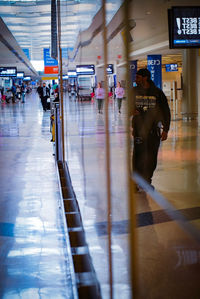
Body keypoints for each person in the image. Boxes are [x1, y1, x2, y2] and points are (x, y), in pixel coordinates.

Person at [132, 68, 171, 188]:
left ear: (145, 78)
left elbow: (166, 111)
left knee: (152, 156)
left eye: (138, 77)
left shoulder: (157, 92)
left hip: (154, 131)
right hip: (139, 130)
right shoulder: (133, 91)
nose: (136, 79)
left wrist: (166, 129)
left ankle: (147, 180)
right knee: (138, 156)